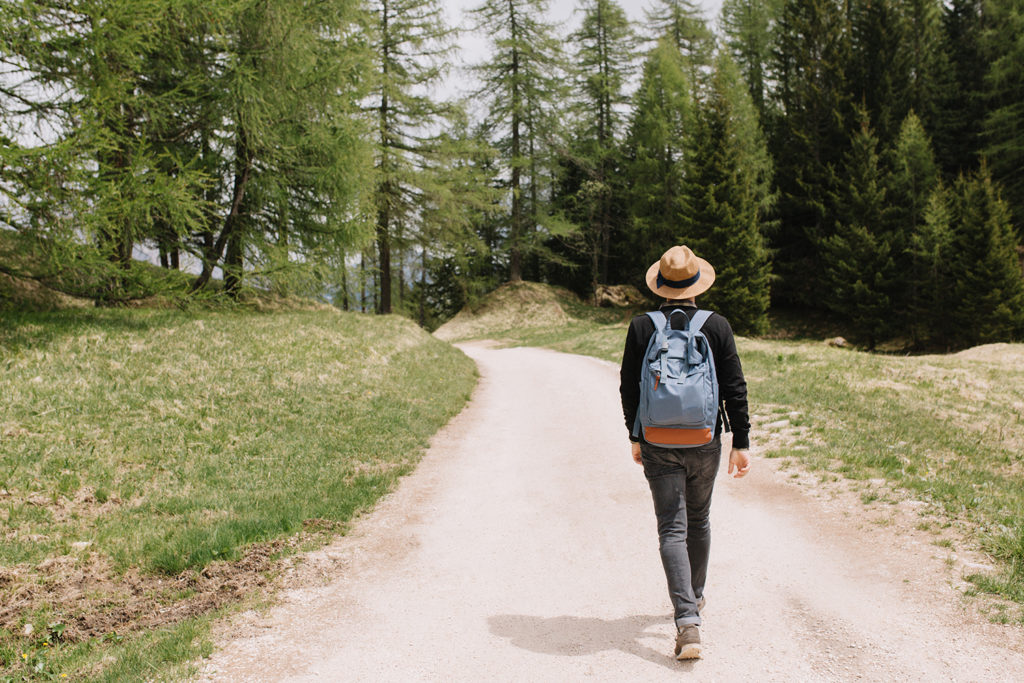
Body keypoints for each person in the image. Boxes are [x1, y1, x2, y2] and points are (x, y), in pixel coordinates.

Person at [619, 245, 751, 661]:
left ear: (660, 284)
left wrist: (635, 436)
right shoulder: (717, 326)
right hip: (704, 440)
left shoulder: (642, 326)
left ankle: (687, 621)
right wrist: (740, 442)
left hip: (658, 440)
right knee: (699, 519)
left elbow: (629, 388)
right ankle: (693, 598)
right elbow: (734, 387)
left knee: (671, 528)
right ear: (697, 285)